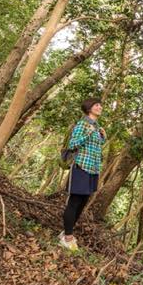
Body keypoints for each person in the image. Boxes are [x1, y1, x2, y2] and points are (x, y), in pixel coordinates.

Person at [59, 97, 106, 251]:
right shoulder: (83, 124)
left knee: (83, 201)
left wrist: (102, 137)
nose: (100, 107)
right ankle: (67, 238)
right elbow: (73, 144)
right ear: (89, 108)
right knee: (74, 201)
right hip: (80, 167)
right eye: (96, 105)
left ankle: (67, 232)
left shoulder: (96, 126)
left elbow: (94, 148)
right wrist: (88, 133)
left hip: (93, 169)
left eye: (100, 105)